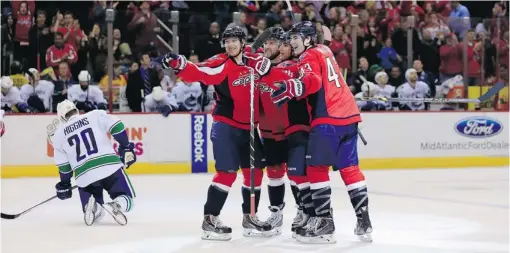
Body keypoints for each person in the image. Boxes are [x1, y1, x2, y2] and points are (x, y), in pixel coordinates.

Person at [161, 26, 271, 241]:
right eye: (226, 41)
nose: (230, 44)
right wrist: (179, 63)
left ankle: (250, 216)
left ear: (242, 42)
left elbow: (267, 62)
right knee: (227, 173)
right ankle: (210, 219)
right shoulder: (221, 63)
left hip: (249, 128)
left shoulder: (252, 60)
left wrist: (263, 61)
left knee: (255, 172)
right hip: (226, 126)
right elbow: (199, 71)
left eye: (234, 40)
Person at [267, 21, 373, 243]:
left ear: (307, 40)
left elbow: (312, 81)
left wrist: (291, 88)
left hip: (328, 119)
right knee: (350, 169)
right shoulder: (325, 51)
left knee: (315, 168)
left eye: (295, 37)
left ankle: (325, 223)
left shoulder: (308, 55)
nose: (292, 42)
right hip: (350, 116)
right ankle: (364, 221)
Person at [49, 100, 137, 226]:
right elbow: (117, 125)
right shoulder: (94, 115)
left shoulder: (58, 136)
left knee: (96, 215)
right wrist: (126, 146)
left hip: (84, 176)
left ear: (62, 117)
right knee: (127, 198)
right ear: (76, 110)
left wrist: (65, 184)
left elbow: (64, 167)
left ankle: (95, 208)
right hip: (109, 167)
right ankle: (117, 204)